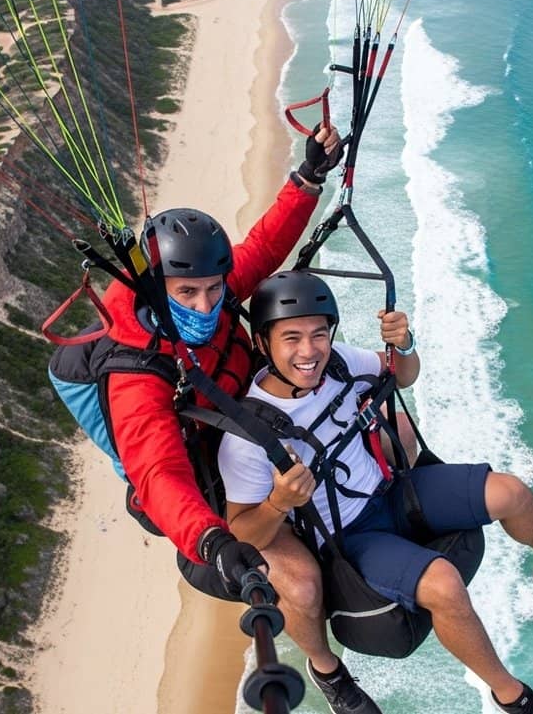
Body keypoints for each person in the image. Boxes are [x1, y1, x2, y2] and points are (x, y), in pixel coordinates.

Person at [216, 271, 533, 714]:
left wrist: (405, 344)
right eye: (292, 338)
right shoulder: (249, 435)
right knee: (444, 585)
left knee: (510, 491)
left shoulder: (338, 363)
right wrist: (279, 502)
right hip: (350, 536)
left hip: (393, 492)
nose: (309, 351)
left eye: (319, 334)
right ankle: (512, 697)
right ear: (263, 344)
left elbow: (403, 375)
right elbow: (242, 532)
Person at [48, 127, 344, 592]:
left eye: (213, 289)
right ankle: (325, 666)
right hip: (208, 474)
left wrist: (307, 179)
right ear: (155, 288)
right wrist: (212, 542)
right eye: (187, 293)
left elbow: (263, 248)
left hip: (249, 428)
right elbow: (158, 470)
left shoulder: (216, 290)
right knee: (301, 580)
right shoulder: (137, 375)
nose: (206, 306)